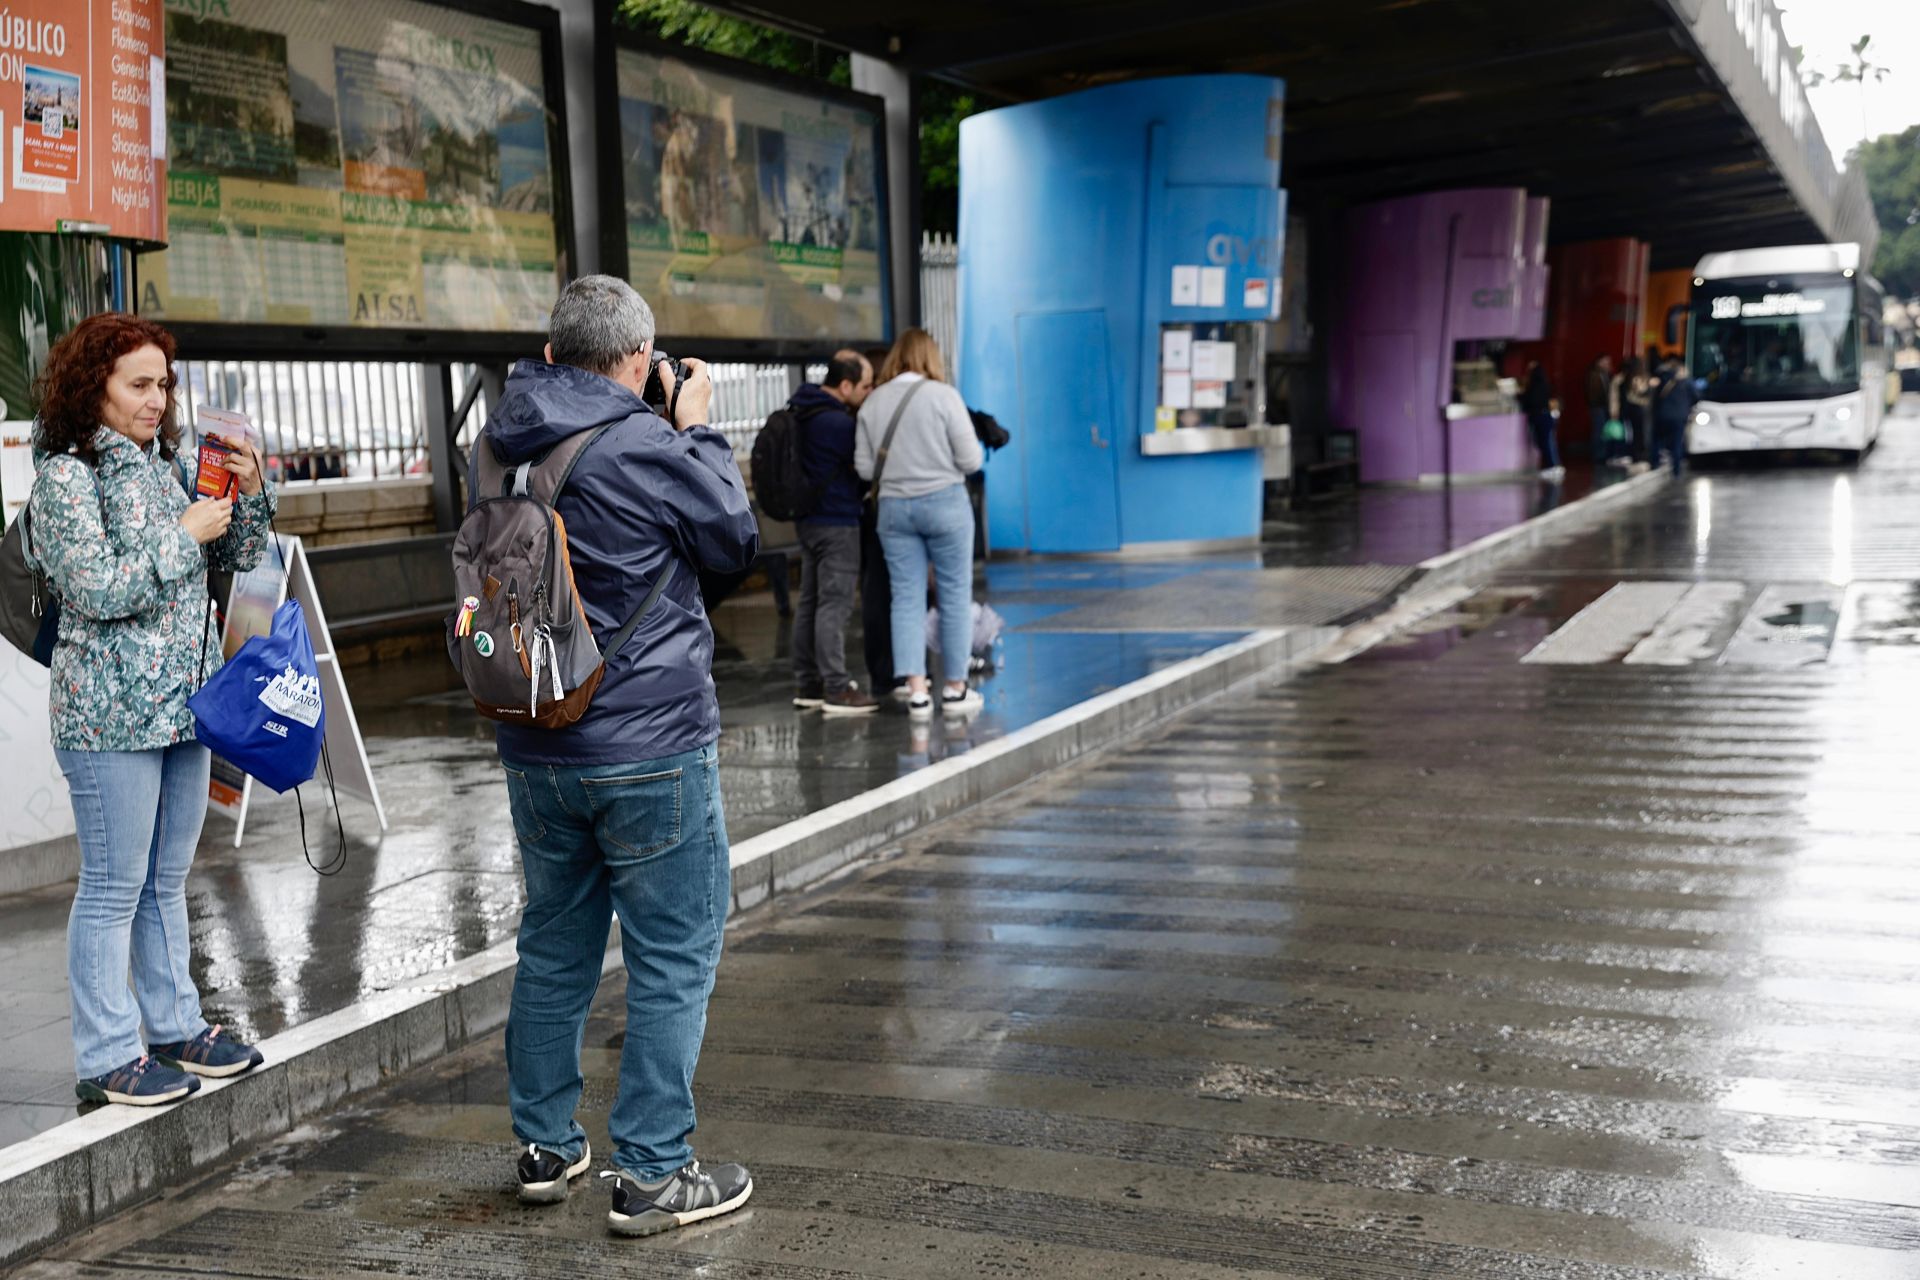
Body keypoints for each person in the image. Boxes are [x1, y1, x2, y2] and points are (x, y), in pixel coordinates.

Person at [477, 276, 758, 1235]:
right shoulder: (645, 440)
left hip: (534, 734)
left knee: (554, 942)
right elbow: (733, 538)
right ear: (640, 360)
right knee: (674, 950)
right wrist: (698, 429)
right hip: (649, 741)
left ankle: (547, 1147)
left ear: (552, 355)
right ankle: (652, 1172)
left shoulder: (501, 443)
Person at [27, 313, 276, 1106]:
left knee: (166, 880)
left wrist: (248, 491)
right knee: (111, 884)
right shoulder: (67, 476)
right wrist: (182, 534)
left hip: (182, 710)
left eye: (163, 384)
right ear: (91, 385)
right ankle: (106, 1056)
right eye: (138, 383)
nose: (157, 399)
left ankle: (173, 1027)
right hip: (108, 719)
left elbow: (235, 558)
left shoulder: (167, 463)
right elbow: (94, 588)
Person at [855, 329, 984, 720]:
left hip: (894, 508)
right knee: (954, 594)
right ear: (931, 357)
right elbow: (972, 460)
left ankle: (916, 692)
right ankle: (956, 688)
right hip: (945, 503)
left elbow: (863, 468)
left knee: (906, 598)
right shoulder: (944, 396)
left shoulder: (873, 401)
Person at [787, 349, 876, 713]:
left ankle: (808, 683)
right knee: (833, 605)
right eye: (866, 386)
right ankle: (837, 688)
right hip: (837, 522)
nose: (869, 392)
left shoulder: (802, 411)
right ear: (845, 384)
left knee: (809, 602)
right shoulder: (839, 424)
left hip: (808, 521)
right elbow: (861, 470)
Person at [1652, 356, 1697, 477]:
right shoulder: (1687, 383)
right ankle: (1676, 470)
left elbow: (1655, 398)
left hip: (1662, 415)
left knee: (1656, 439)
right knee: (1677, 442)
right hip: (1679, 416)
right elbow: (1696, 397)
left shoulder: (1662, 379)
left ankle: (1655, 463)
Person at [1519, 360, 1563, 479]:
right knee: (1549, 441)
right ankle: (1553, 465)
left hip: (1539, 416)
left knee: (1545, 442)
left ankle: (1552, 466)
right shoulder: (1545, 383)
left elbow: (1529, 401)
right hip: (1547, 415)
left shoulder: (1533, 386)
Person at [1621, 356, 1653, 466]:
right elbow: (1644, 392)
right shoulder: (1644, 378)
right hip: (1642, 410)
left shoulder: (1627, 378)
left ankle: (1636, 455)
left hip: (1632, 410)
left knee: (1634, 434)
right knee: (1643, 433)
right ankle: (1642, 455)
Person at [1585, 354, 1616, 464]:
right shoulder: (1593, 375)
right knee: (1598, 431)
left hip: (1604, 407)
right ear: (1598, 362)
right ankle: (1598, 455)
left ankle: (1605, 453)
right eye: (1605, 362)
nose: (1607, 364)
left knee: (1604, 431)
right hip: (1597, 407)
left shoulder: (1607, 374)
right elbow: (1594, 393)